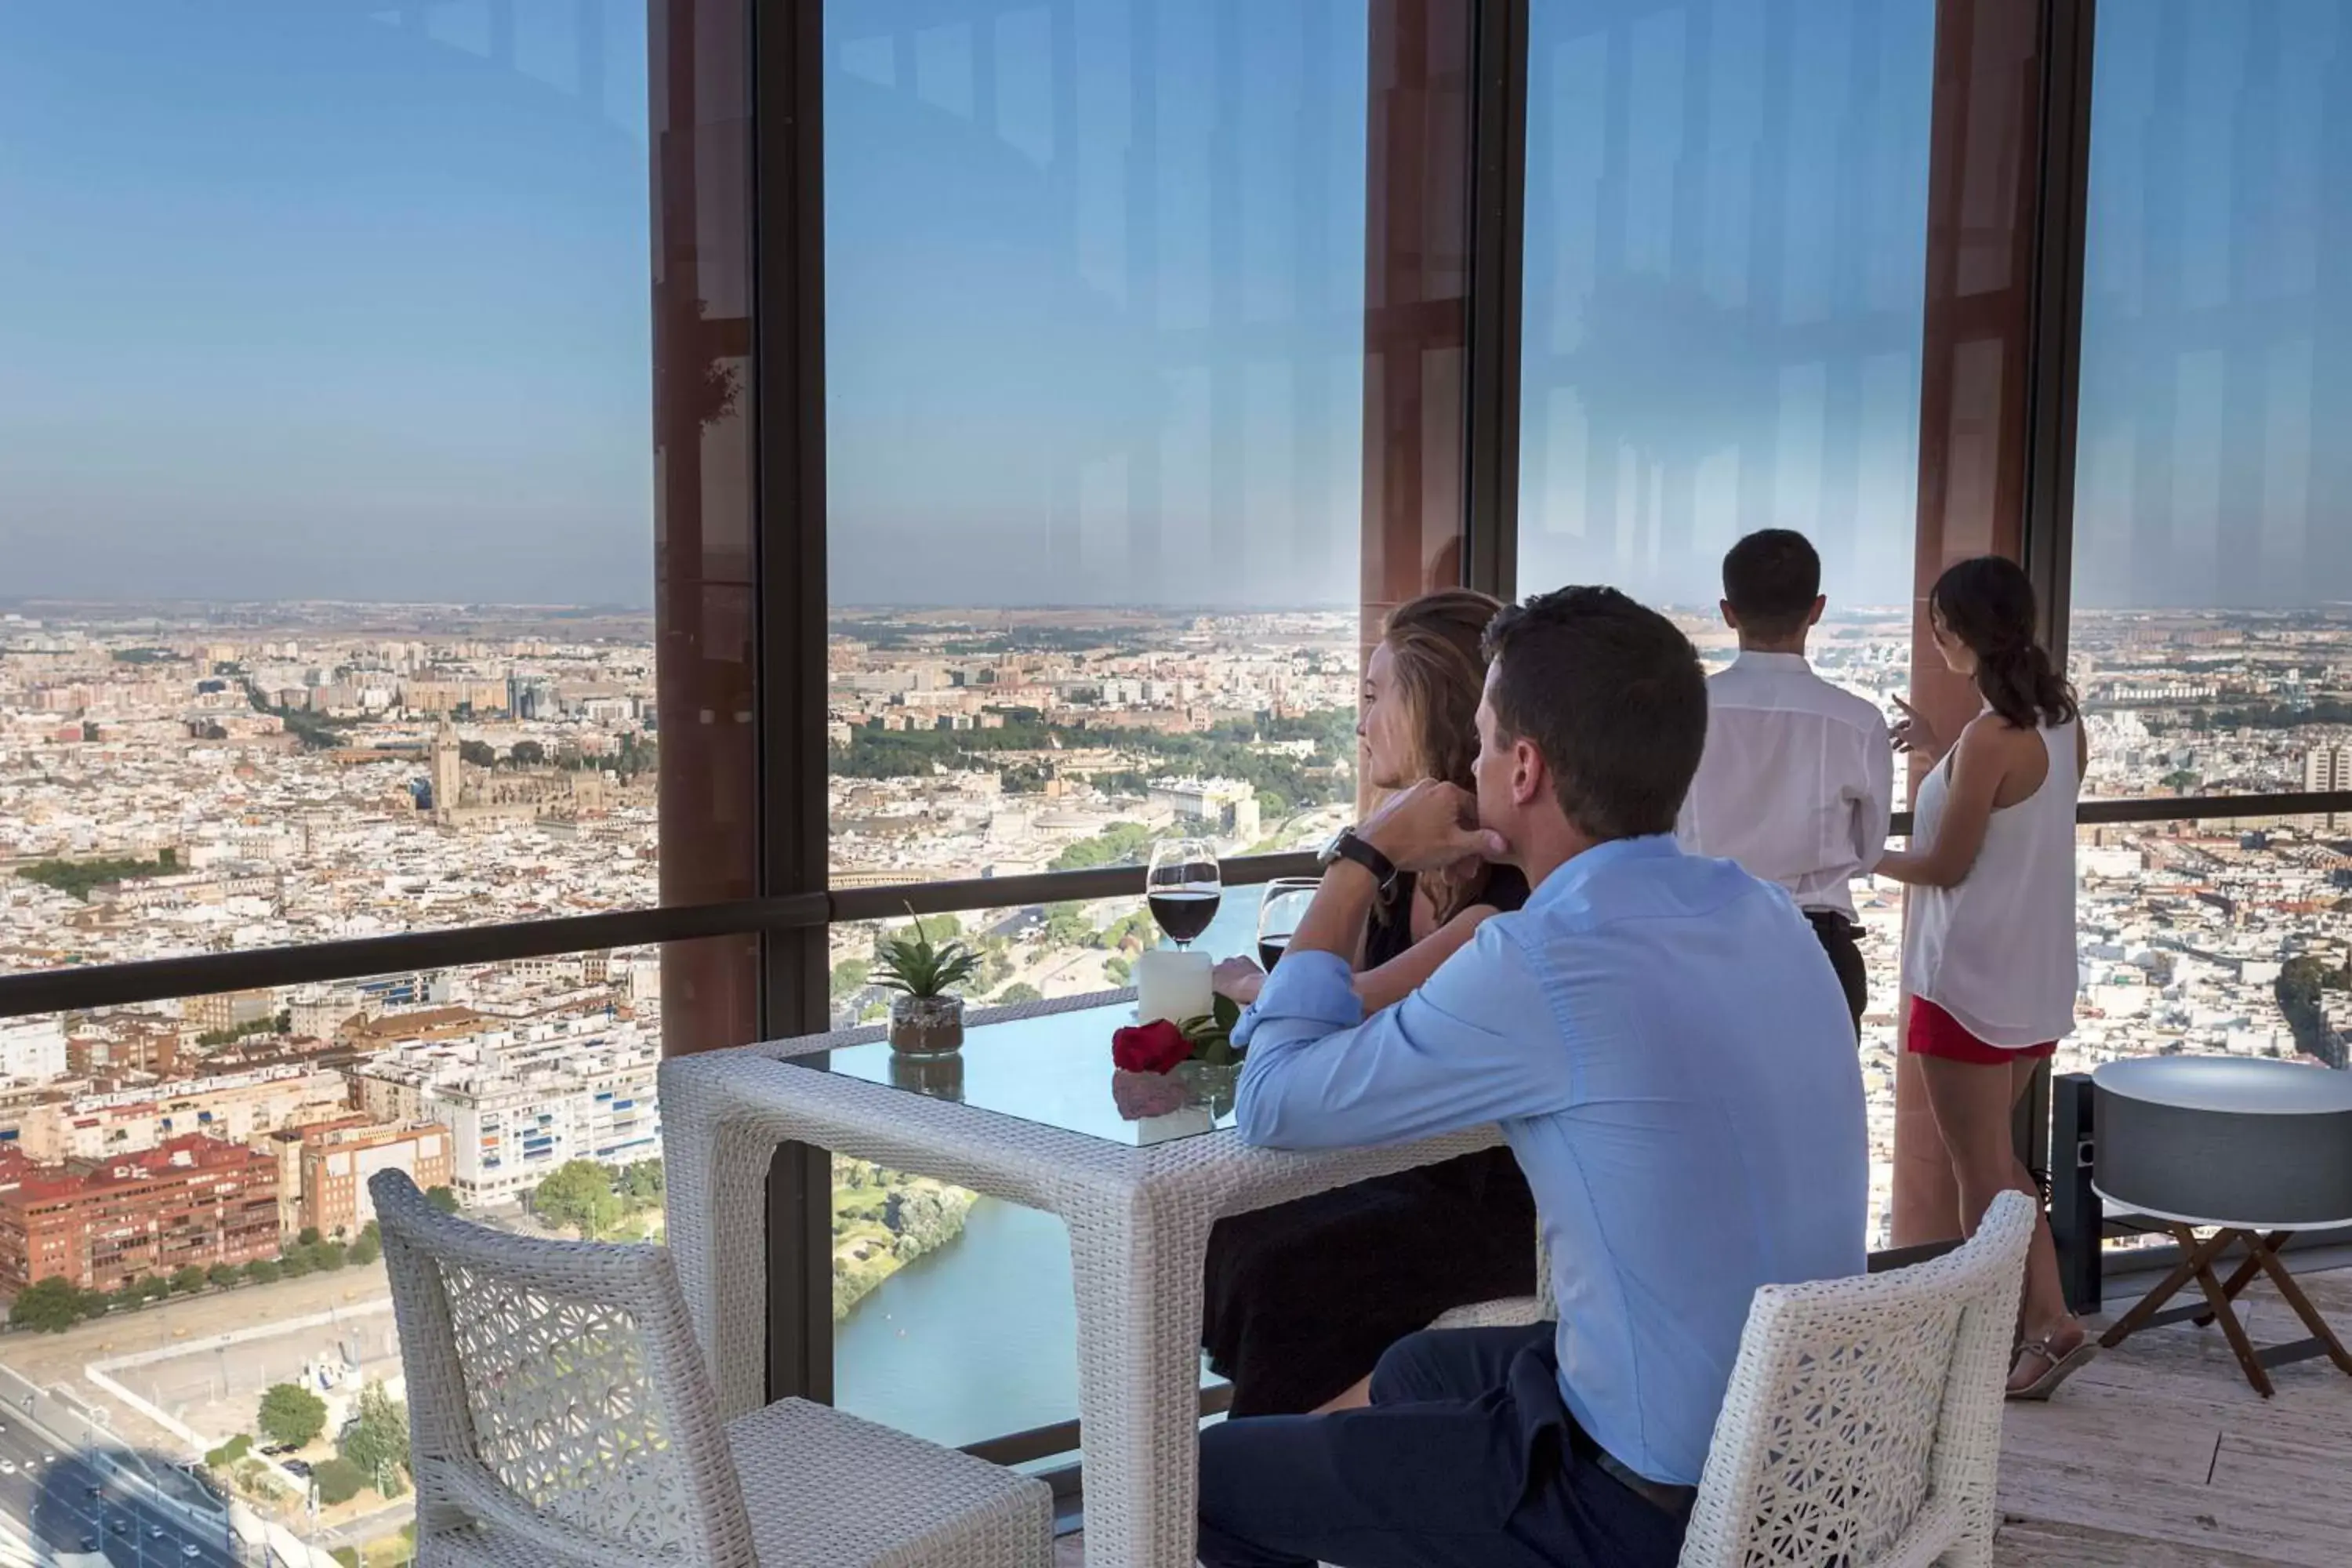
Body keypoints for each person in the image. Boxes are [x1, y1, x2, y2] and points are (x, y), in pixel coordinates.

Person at [1196, 586, 1868, 1568]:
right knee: (1419, 1362)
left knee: (1206, 1484)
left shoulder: (1544, 955)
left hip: (1653, 1504)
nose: (1465, 766)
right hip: (1806, 1446)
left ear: (1523, 767)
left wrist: (1365, 852)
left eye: (1478, 742)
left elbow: (1269, 1101)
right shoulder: (1771, 915)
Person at [1201, 589, 1536, 1417]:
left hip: (1487, 1201)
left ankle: (1261, 1483)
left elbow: (1330, 1006)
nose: (1361, 721)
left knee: (1285, 1264)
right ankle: (1252, 1478)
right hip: (1398, 1161)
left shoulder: (1505, 900)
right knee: (1225, 1230)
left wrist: (1255, 983)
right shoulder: (1400, 874)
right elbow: (1318, 1005)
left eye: (1375, 695)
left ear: (1433, 707)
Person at [1876, 555, 2091, 1399]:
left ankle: (2010, 1333)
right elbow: (2018, 830)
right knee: (2004, 1164)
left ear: (1952, 633)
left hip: (1965, 979)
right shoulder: (2065, 723)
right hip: (2035, 979)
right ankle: (2050, 1321)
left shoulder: (1989, 738)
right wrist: (1937, 753)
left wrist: (1859, 853)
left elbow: (1947, 864)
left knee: (1983, 1175)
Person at [1678, 528, 1893, 1037]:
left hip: (1701, 943)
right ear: (1817, 609)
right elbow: (1868, 850)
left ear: (1728, 612)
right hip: (1814, 946)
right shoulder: (1857, 722)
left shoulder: (1683, 714)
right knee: (1815, 1113)